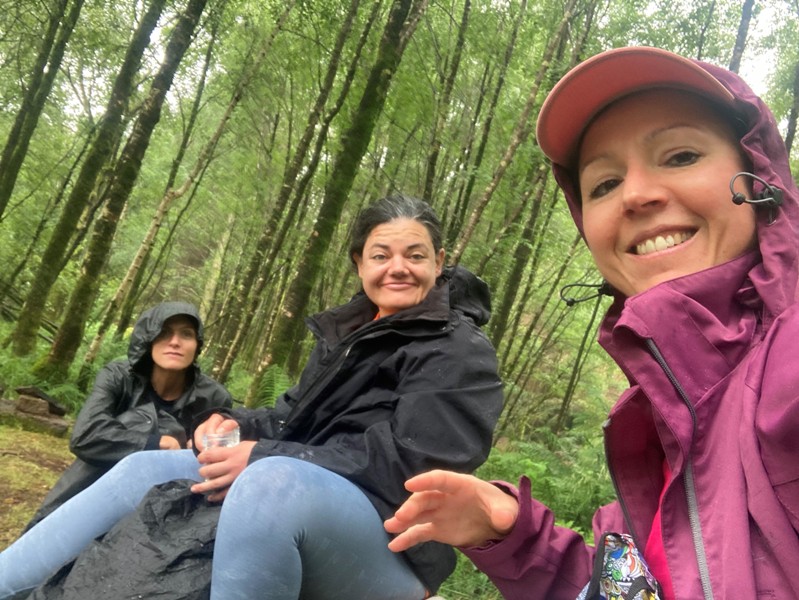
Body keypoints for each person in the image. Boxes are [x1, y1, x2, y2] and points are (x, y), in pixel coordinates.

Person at [384, 46, 799, 599]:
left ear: (759, 179)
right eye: (603, 185)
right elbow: (633, 590)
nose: (637, 194)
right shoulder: (657, 424)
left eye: (679, 156)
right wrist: (513, 533)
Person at [0, 194, 504, 600]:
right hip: (303, 480)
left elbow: (415, 465)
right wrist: (231, 424)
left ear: (439, 263)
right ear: (359, 263)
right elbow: (290, 419)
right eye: (381, 255)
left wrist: (264, 455)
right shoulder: (349, 334)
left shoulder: (459, 349)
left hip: (392, 543)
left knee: (269, 485)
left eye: (415, 256)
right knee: (143, 469)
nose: (398, 268)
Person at [23, 300, 233, 531]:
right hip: (98, 484)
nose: (175, 342)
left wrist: (193, 451)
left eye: (186, 334)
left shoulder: (215, 398)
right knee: (138, 422)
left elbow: (219, 461)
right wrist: (158, 443)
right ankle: (50, 527)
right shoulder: (119, 376)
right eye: (164, 332)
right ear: (148, 338)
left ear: (197, 345)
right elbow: (85, 436)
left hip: (165, 501)